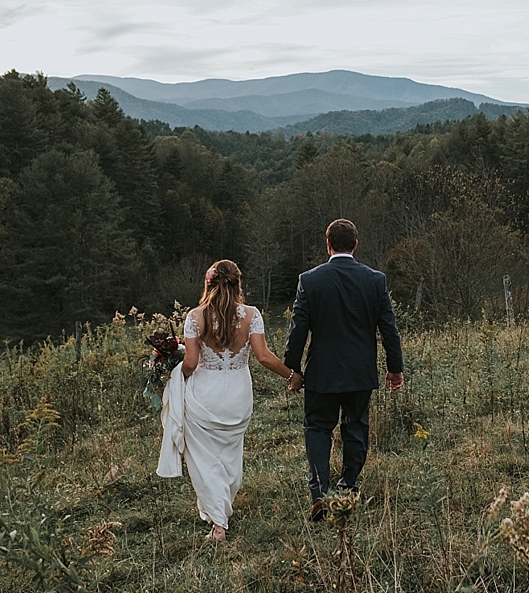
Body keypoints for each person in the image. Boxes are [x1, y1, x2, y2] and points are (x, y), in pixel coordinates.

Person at [156, 259, 299, 541]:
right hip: (238, 394)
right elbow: (264, 357)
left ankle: (218, 522)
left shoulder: (196, 317)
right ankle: (221, 507)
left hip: (204, 395)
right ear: (238, 284)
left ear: (208, 283)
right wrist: (292, 375)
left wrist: (173, 372)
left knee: (203, 458)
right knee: (230, 456)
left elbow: (191, 363)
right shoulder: (252, 315)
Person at [283, 218, 404, 522]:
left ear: (328, 245)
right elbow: (389, 328)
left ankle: (320, 493)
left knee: (318, 428)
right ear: (355, 245)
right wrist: (395, 368)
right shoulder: (375, 280)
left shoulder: (310, 280)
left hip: (322, 372)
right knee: (356, 426)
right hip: (359, 372)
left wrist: (292, 369)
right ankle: (347, 485)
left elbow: (298, 329)